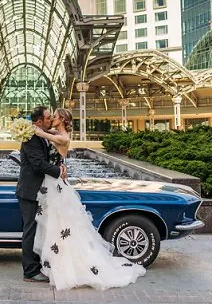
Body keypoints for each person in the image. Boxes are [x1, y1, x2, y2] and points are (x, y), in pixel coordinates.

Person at [31, 108, 146, 291]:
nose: (51, 118)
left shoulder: (63, 137)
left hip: (55, 183)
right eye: (50, 116)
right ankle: (55, 259)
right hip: (53, 182)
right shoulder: (58, 133)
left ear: (61, 120)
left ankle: (66, 264)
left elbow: (40, 133)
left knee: (59, 223)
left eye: (54, 116)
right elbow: (46, 134)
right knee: (56, 222)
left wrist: (26, 128)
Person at [16, 105, 67, 283]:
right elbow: (37, 164)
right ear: (39, 121)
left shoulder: (41, 134)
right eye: (47, 118)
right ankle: (29, 271)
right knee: (30, 229)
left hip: (40, 190)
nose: (50, 120)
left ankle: (38, 265)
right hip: (30, 191)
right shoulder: (30, 138)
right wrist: (58, 171)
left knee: (39, 228)